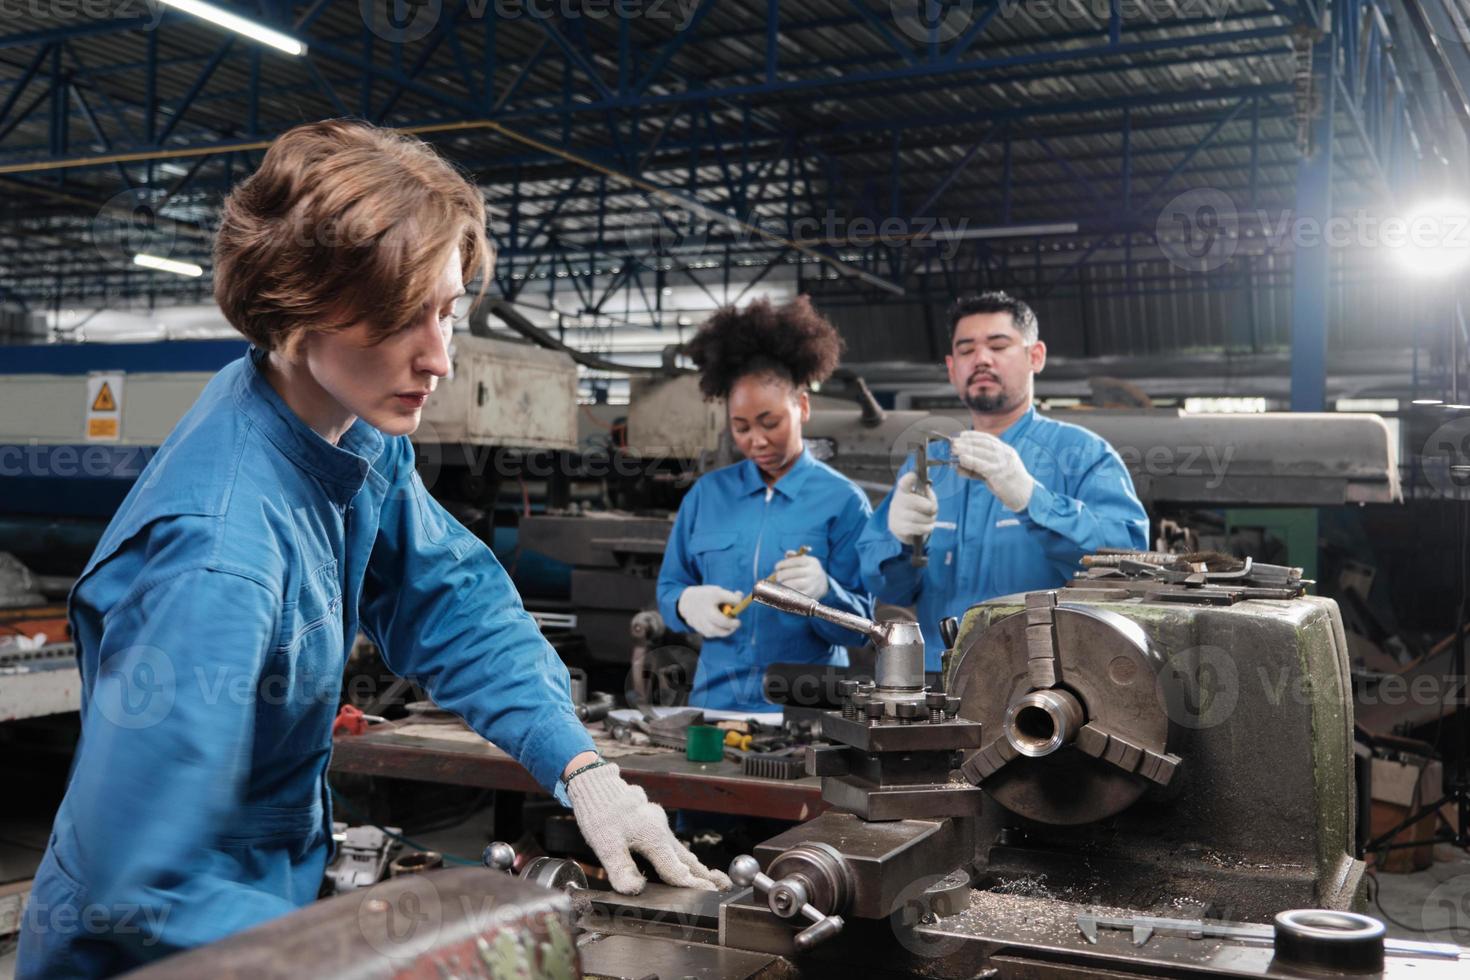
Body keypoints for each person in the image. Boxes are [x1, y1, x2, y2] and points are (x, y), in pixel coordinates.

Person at [18, 120, 728, 979]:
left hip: (269, 914)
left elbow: (450, 600)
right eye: (403, 319)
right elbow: (142, 880)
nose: (438, 357)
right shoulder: (216, 557)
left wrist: (581, 764)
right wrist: (382, 959)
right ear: (297, 309)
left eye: (448, 310)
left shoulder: (342, 425)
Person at [857, 291, 1149, 667]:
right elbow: (890, 589)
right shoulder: (928, 467)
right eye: (966, 350)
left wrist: (1033, 500)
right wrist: (896, 543)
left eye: (998, 345)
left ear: (1035, 356)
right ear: (951, 367)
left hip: (1049, 687)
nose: (981, 359)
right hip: (938, 688)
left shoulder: (1083, 456)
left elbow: (1127, 566)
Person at [657, 297, 875, 712]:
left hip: (806, 712)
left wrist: (827, 594)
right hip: (715, 705)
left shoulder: (844, 502)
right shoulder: (707, 495)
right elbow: (669, 588)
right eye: (741, 427)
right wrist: (685, 604)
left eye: (770, 423)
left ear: (803, 407)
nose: (755, 440)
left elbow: (862, 629)